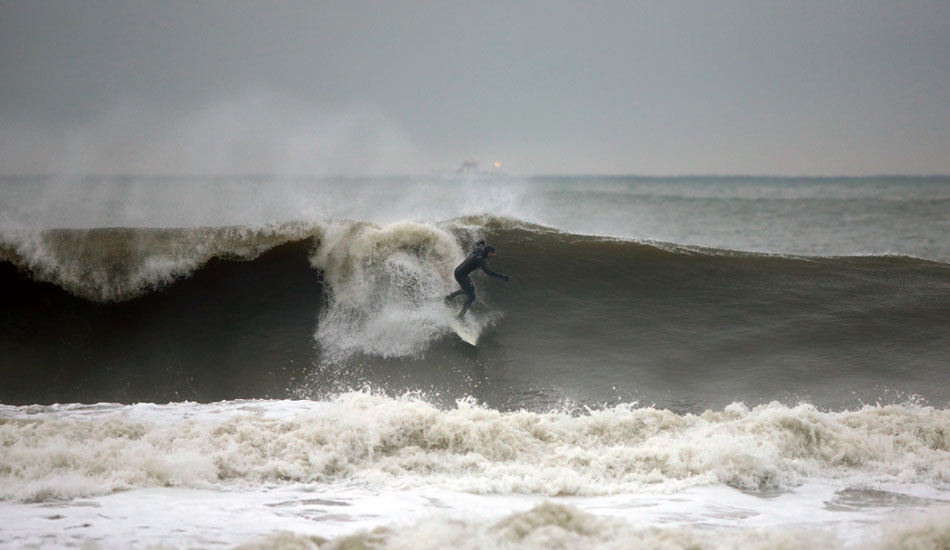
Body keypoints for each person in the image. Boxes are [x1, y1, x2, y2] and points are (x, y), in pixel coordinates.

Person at [444, 239, 509, 319]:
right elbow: (487, 271)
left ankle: (450, 297)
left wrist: (480, 241)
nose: (494, 255)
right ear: (488, 252)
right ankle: (460, 316)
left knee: (470, 290)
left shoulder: (477, 250)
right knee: (471, 297)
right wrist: (502, 276)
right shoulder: (480, 259)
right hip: (461, 275)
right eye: (492, 253)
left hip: (458, 271)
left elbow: (474, 245)